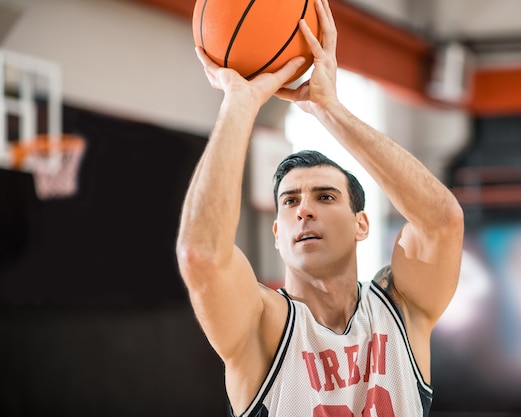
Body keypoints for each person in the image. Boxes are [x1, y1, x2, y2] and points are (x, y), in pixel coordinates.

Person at [176, 0, 464, 415]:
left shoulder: (401, 309)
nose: (303, 211)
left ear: (361, 224)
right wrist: (239, 101)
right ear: (277, 234)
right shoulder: (261, 325)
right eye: (289, 201)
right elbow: (200, 254)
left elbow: (443, 221)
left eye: (325, 196)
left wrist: (330, 109)